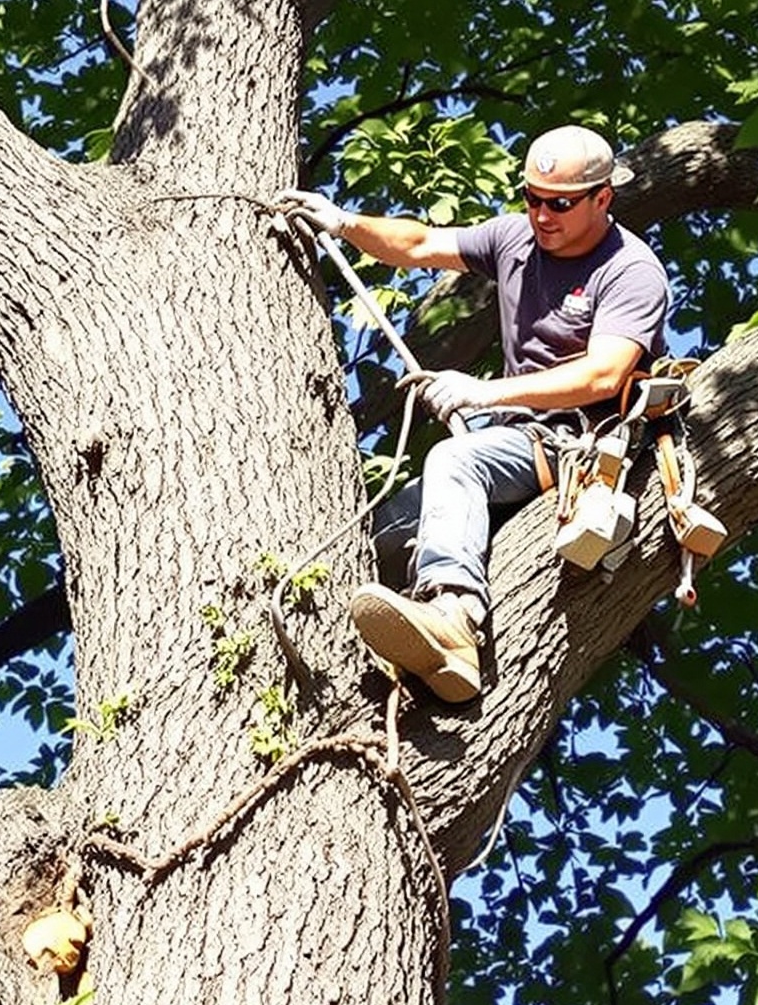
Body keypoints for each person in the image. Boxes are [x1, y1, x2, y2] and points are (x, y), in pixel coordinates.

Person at [276, 125, 669, 702]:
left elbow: (604, 375)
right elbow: (418, 244)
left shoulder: (630, 269)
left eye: (559, 204)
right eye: (532, 198)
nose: (542, 215)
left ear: (601, 198)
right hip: (516, 437)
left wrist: (482, 394)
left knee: (455, 462)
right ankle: (377, 661)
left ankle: (455, 619)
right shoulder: (515, 240)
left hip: (579, 445)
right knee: (378, 535)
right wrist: (343, 223)